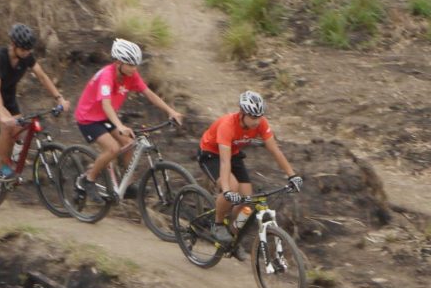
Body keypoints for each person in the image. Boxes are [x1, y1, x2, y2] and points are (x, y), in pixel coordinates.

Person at [72, 38, 183, 200]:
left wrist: (170, 111)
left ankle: (128, 185)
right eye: (130, 65)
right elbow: (106, 105)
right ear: (118, 62)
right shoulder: (106, 76)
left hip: (104, 117)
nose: (134, 69)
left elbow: (149, 94)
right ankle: (88, 180)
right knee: (112, 148)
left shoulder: (131, 75)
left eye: (136, 65)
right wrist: (119, 125)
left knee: (129, 143)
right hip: (88, 118)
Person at [197, 90, 302, 261]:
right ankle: (217, 224)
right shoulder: (227, 125)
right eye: (253, 117)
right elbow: (224, 162)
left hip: (234, 152)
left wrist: (292, 175)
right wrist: (226, 190)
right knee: (232, 189)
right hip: (211, 153)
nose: (257, 121)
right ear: (242, 114)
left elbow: (275, 150)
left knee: (247, 202)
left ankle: (232, 238)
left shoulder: (260, 123)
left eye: (259, 117)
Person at [0, 23, 70, 179]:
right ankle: (4, 168)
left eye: (29, 50)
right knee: (8, 125)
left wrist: (59, 98)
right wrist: (2, 115)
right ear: (13, 45)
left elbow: (42, 76)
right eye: (23, 50)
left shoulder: (26, 57)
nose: (27, 53)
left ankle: (10, 154)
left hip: (8, 95)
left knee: (20, 129)